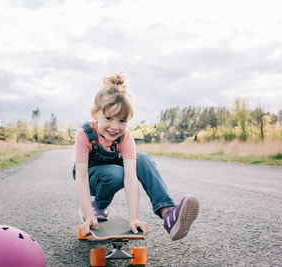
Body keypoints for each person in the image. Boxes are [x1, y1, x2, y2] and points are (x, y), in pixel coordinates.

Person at [73, 72, 199, 241]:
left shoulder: (125, 137)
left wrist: (134, 218)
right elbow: (80, 178)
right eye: (109, 118)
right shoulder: (85, 134)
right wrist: (88, 214)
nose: (115, 127)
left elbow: (131, 178)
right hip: (91, 177)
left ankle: (168, 214)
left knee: (143, 159)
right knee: (116, 173)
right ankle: (99, 206)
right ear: (95, 114)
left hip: (112, 173)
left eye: (122, 121)